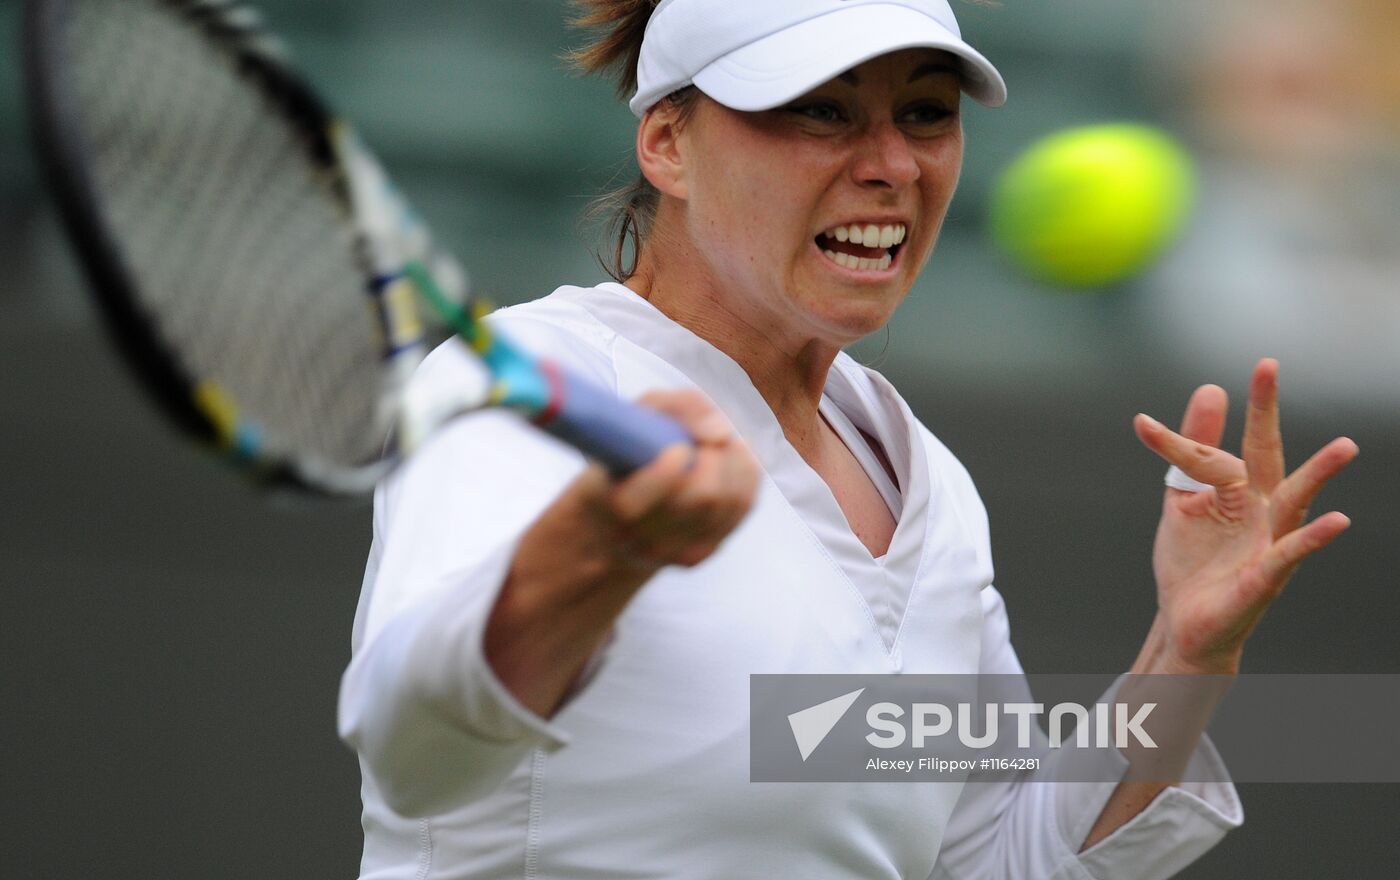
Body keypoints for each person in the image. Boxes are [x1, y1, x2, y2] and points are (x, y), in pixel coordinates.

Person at [338, 1, 1358, 877]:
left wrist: (1183, 653)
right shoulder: (532, 386)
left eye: (924, 114)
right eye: (819, 110)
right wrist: (597, 555)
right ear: (666, 142)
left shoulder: (928, 483)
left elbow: (996, 856)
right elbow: (416, 748)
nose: (890, 165)